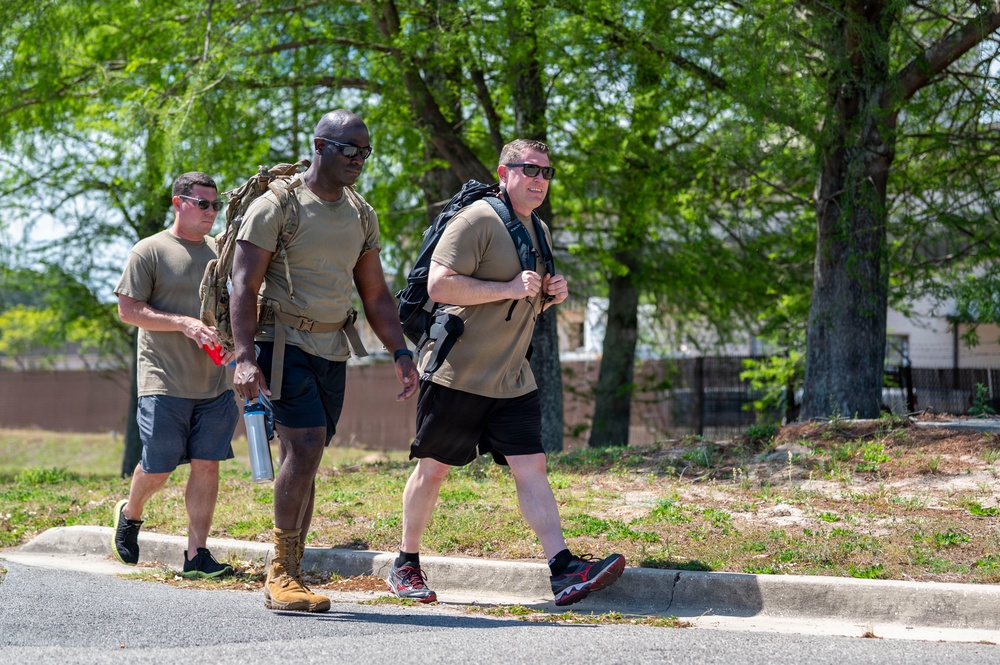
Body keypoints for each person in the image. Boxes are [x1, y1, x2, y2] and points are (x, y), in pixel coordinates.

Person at [386, 139, 625, 607]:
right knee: (433, 469)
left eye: (546, 173)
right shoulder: (476, 219)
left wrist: (550, 296)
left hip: (513, 376)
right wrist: (510, 287)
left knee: (532, 466)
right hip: (459, 373)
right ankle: (405, 564)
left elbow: (521, 302)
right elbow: (439, 285)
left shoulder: (539, 229)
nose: (539, 180)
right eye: (529, 170)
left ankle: (563, 568)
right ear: (504, 171)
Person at [230, 109, 419, 613]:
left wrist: (400, 350)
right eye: (348, 149)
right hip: (281, 345)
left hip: (333, 348)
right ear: (320, 146)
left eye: (365, 152)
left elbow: (375, 293)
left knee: (307, 457)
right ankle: (281, 572)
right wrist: (244, 357)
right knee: (306, 446)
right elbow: (243, 284)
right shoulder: (277, 206)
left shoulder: (360, 212)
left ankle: (292, 569)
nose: (358, 159)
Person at [112, 171, 239, 580]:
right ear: (178, 203)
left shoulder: (221, 252)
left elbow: (238, 305)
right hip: (163, 380)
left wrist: (236, 348)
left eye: (215, 205)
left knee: (207, 465)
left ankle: (196, 554)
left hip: (215, 383)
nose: (211, 211)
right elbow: (129, 310)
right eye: (203, 203)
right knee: (159, 468)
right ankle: (131, 513)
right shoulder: (149, 251)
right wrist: (183, 324)